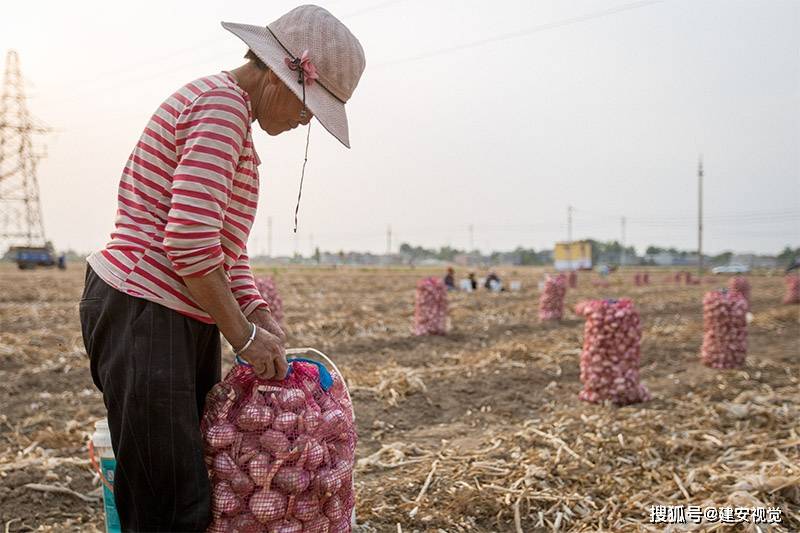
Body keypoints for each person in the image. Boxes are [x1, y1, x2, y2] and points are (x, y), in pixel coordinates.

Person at [78, 6, 365, 531]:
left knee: (184, 484)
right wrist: (243, 335)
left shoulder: (228, 114)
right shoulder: (220, 108)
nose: (307, 122)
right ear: (285, 75)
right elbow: (187, 242)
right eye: (311, 108)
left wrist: (254, 308)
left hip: (171, 313)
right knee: (170, 502)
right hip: (146, 310)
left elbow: (220, 248)